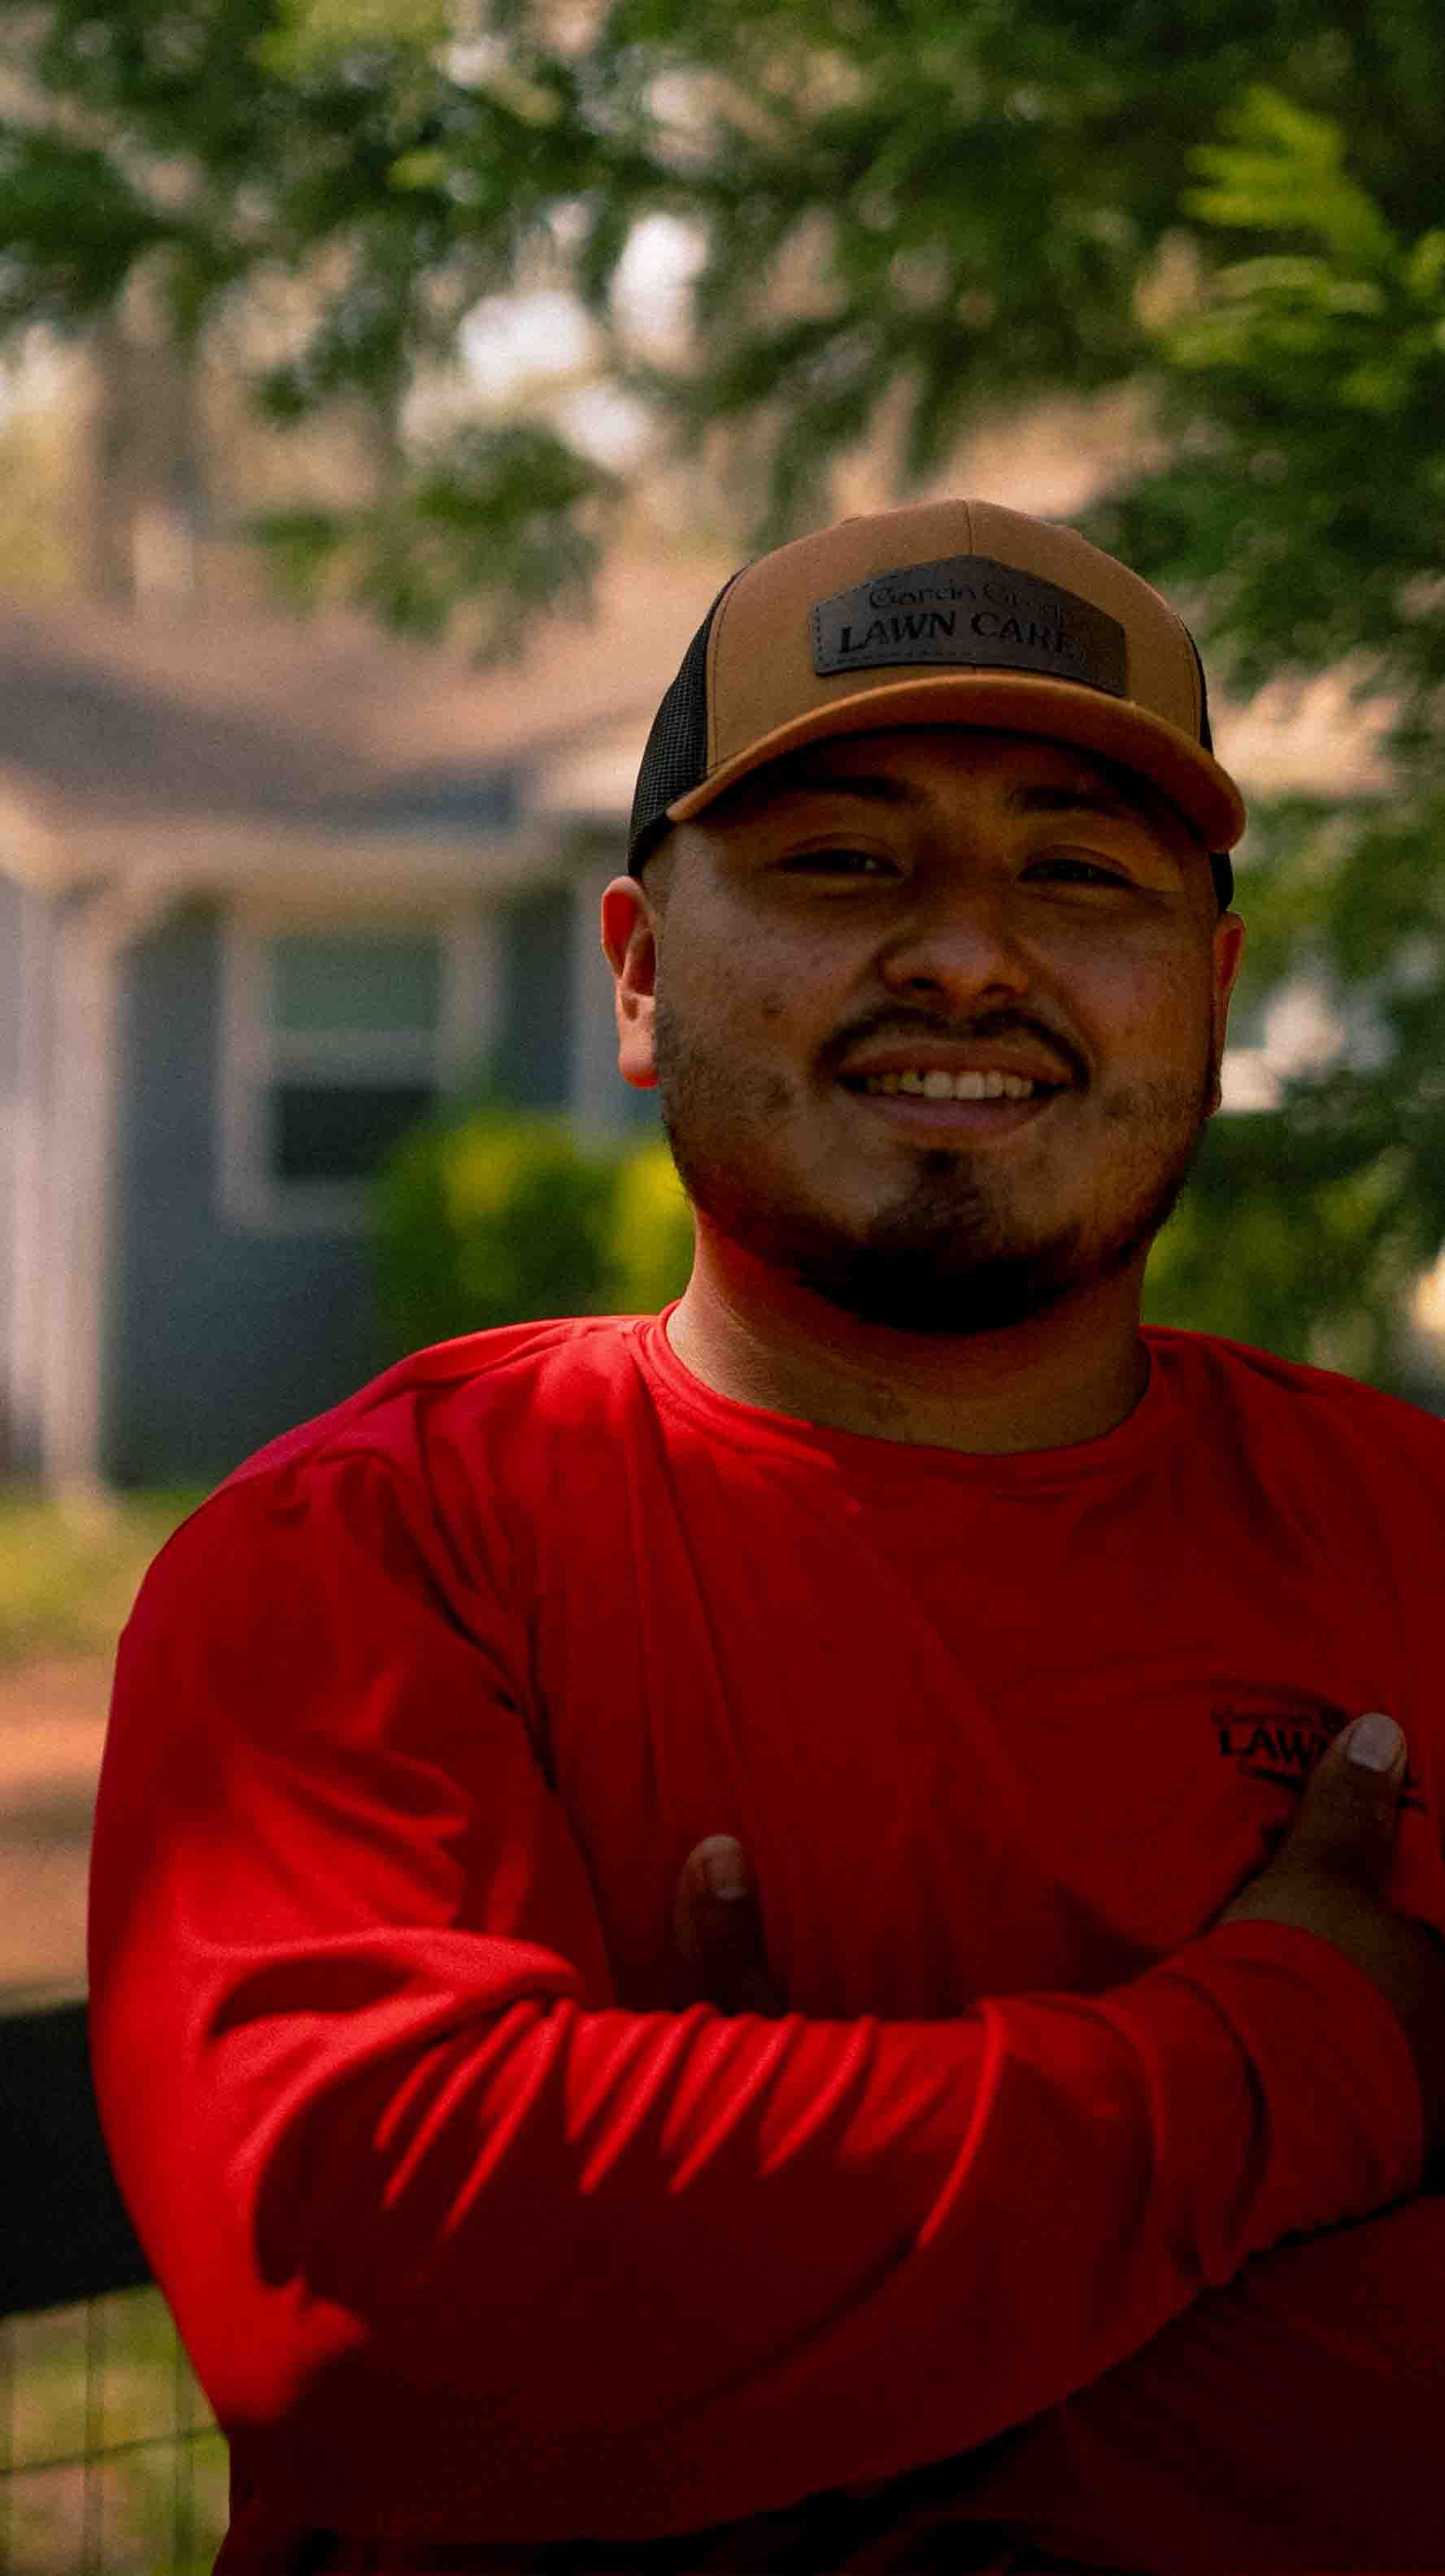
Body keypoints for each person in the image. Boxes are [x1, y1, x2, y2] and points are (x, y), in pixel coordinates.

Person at [88, 497, 1445, 2575]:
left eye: (1077, 874)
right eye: (843, 863)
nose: (967, 954)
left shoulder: (1407, 1536)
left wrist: (747, 2249)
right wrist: (1317, 2052)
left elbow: (564, 2310)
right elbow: (370, 2311)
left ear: (1212, 987)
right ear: (639, 978)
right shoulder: (373, 1558)